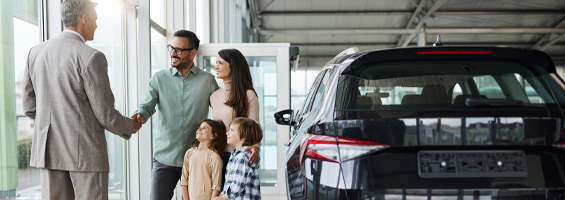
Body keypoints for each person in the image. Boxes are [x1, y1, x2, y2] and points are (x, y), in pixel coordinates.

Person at [21, 0, 142, 199]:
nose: (97, 25)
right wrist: (129, 126)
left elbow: (29, 107)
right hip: (86, 153)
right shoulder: (91, 56)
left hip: (49, 151)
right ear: (83, 19)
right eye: (95, 19)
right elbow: (105, 113)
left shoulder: (35, 53)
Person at [131, 30, 219, 200]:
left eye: (179, 50)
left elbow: (220, 111)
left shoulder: (208, 81)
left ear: (193, 53)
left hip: (197, 158)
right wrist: (139, 116)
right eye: (171, 48)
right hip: (166, 158)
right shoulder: (159, 79)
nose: (173, 53)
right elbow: (146, 107)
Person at [209, 49, 261, 189]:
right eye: (216, 63)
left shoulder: (248, 95)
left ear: (234, 66)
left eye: (221, 63)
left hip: (239, 156)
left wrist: (255, 147)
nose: (216, 66)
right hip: (217, 155)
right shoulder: (214, 96)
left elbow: (254, 124)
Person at [214, 118, 263, 200]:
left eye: (232, 130)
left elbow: (238, 184)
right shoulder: (235, 156)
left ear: (243, 136)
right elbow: (229, 183)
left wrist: (224, 197)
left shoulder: (243, 157)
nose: (227, 133)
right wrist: (222, 195)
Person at [180, 119, 226, 200]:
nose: (199, 129)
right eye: (199, 127)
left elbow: (216, 186)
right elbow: (184, 180)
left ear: (213, 136)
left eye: (205, 128)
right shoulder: (189, 153)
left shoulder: (214, 157)